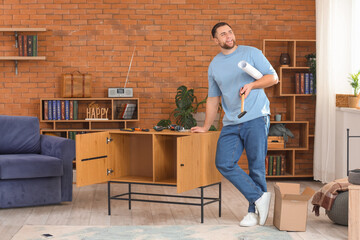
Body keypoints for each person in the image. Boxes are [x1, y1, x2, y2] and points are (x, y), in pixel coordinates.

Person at [191, 22, 278, 227]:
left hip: (256, 116)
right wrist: (205, 126)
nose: (228, 36)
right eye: (223, 34)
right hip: (231, 121)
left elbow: (273, 78)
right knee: (224, 162)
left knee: (256, 167)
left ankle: (253, 213)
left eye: (230, 32)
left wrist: (252, 85)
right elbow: (213, 99)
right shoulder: (214, 65)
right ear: (215, 40)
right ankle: (259, 197)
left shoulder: (252, 53)